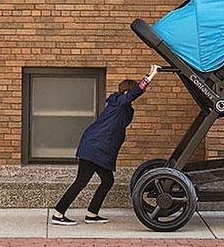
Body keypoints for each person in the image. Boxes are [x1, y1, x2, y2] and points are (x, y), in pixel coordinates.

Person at [51, 64, 159, 226]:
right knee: (81, 181)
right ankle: (58, 214)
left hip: (99, 149)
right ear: (127, 92)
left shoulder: (119, 106)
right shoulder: (120, 103)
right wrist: (150, 76)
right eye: (130, 93)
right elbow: (133, 94)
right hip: (94, 148)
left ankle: (92, 214)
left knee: (107, 181)